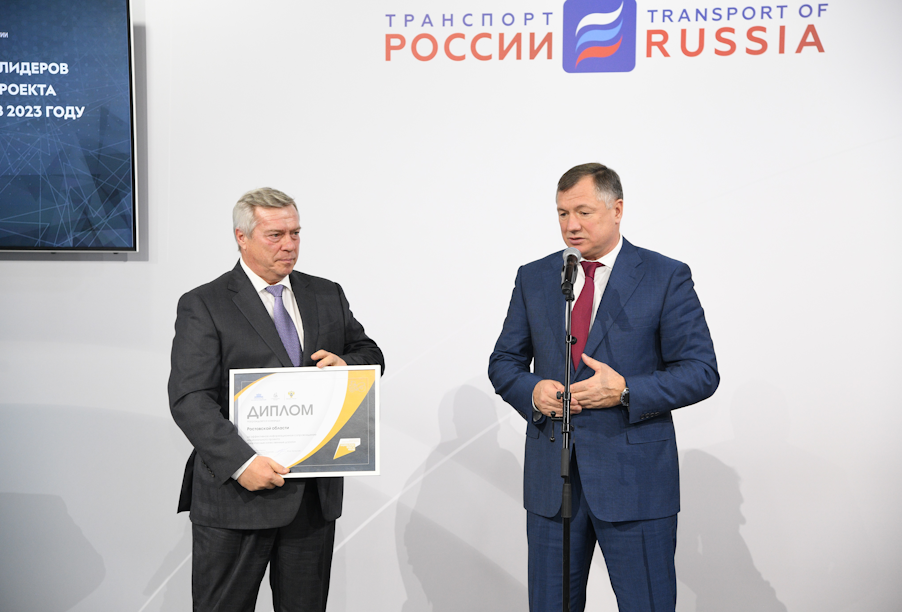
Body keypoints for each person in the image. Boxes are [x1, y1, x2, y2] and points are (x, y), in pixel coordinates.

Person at [488, 163, 718, 612]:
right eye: (562, 213)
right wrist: (533, 392)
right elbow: (504, 363)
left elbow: (701, 371)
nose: (571, 225)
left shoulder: (664, 276)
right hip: (553, 484)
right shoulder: (535, 277)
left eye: (583, 212)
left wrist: (626, 391)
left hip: (636, 484)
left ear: (617, 210)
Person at [169, 187, 384, 612]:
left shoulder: (327, 294)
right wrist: (243, 464)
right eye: (275, 235)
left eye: (295, 233)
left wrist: (346, 363)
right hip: (237, 496)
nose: (289, 245)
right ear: (241, 237)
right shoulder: (204, 303)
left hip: (311, 500)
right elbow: (191, 398)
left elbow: (370, 354)